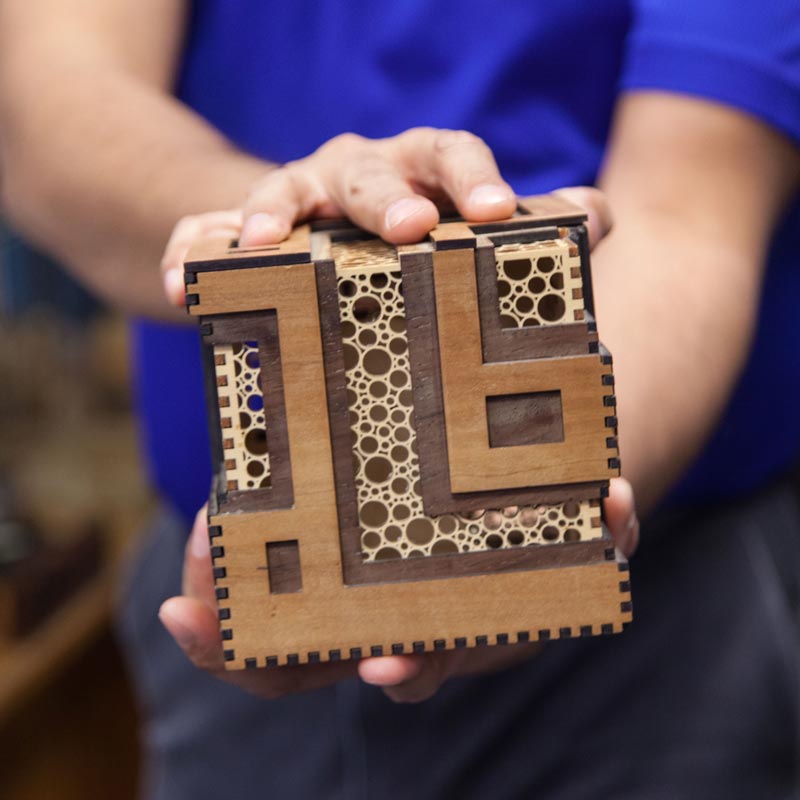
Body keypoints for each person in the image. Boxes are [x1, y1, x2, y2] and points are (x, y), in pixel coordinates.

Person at [1, 1, 798, 797]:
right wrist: (279, 220)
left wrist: (544, 520)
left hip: (665, 644)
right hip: (247, 607)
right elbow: (46, 99)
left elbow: (687, 212)